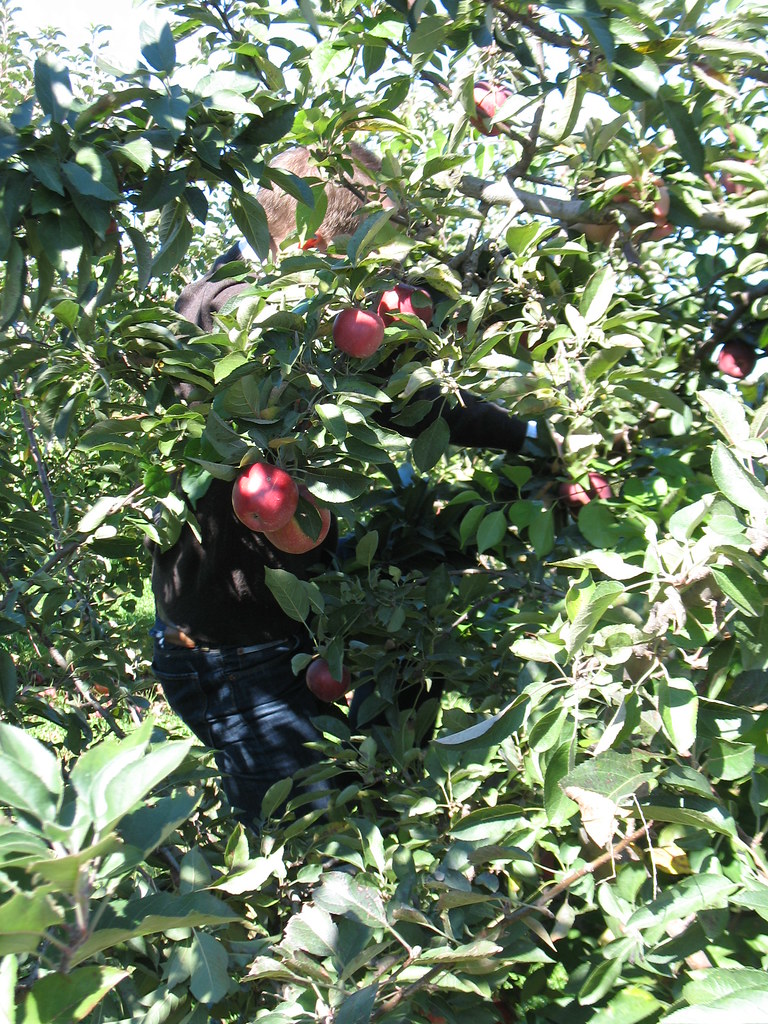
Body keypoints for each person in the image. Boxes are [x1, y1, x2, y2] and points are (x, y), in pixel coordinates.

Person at [149, 143, 543, 826]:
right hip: (236, 656)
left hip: (294, 627)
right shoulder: (231, 317)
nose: (380, 278)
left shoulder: (315, 334)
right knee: (312, 842)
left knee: (382, 790)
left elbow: (413, 399)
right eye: (365, 255)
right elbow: (221, 334)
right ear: (311, 244)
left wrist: (532, 437)